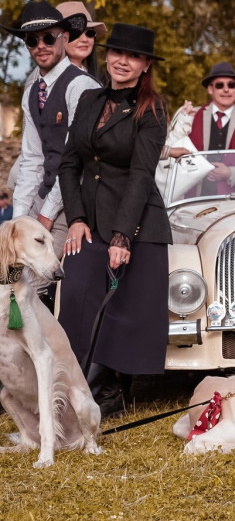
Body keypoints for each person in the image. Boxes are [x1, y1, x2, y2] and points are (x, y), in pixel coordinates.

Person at [58, 23, 170, 419]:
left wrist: (123, 236)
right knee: (77, 296)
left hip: (137, 223)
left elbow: (141, 175)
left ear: (146, 65)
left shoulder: (152, 108)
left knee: (122, 310)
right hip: (90, 220)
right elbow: (69, 164)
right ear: (106, 56)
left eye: (134, 56)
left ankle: (99, 396)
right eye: (117, 53)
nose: (123, 61)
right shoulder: (89, 99)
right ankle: (76, 392)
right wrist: (76, 218)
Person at [4, 1, 100, 257]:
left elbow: (75, 160)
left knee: (38, 268)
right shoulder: (32, 90)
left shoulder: (82, 86)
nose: (41, 46)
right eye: (32, 41)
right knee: (10, 262)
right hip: (43, 193)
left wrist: (46, 215)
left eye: (48, 37)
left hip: (76, 202)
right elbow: (32, 159)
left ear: (64, 38)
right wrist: (19, 220)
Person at [167, 61, 235, 194]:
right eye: (219, 85)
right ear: (210, 89)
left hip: (234, 197)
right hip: (194, 196)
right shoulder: (191, 115)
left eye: (231, 85)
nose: (226, 89)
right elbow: (171, 149)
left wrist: (231, 172)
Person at [56, 1, 106, 79]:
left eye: (90, 33)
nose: (84, 39)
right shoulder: (45, 80)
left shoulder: (91, 77)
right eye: (77, 33)